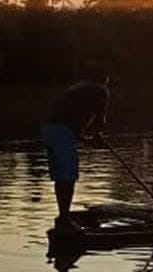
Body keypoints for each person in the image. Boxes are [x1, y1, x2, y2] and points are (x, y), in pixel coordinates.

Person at [42, 65, 110, 232]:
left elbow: (71, 119)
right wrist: (97, 135)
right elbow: (99, 118)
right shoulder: (100, 90)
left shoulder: (76, 89)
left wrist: (86, 140)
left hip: (49, 130)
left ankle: (63, 217)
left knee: (61, 176)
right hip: (62, 131)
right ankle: (64, 219)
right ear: (105, 80)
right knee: (68, 177)